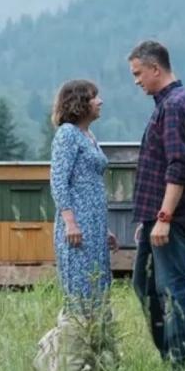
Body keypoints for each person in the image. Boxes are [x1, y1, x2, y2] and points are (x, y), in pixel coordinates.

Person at [128, 40, 185, 370]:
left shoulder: (174, 106)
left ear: (155, 69)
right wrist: (147, 219)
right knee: (144, 284)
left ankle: (183, 362)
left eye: (138, 73)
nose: (136, 81)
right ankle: (171, 355)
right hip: (155, 216)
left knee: (172, 288)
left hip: (171, 216)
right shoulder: (165, 104)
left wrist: (163, 217)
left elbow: (178, 166)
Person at [49, 79, 118, 313]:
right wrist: (70, 222)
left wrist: (103, 228)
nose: (100, 101)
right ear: (79, 103)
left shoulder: (88, 134)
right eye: (94, 97)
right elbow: (59, 180)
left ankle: (96, 343)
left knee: (98, 287)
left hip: (94, 225)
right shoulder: (67, 134)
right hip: (76, 225)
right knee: (81, 291)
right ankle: (73, 342)